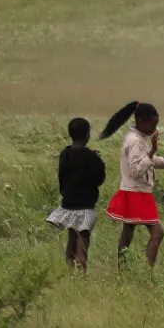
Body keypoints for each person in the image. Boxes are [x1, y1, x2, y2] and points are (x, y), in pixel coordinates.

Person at [101, 101, 164, 267]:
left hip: (131, 191)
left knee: (128, 232)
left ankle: (123, 271)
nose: (155, 129)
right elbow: (137, 169)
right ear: (141, 121)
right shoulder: (136, 140)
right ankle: (147, 272)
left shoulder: (137, 137)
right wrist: (153, 150)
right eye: (153, 124)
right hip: (138, 193)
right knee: (157, 233)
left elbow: (146, 161)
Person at [47, 117, 106, 273]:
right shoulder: (91, 157)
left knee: (72, 238)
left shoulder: (64, 153)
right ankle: (82, 273)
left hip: (68, 203)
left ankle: (69, 270)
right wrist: (98, 160)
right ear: (87, 134)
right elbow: (100, 179)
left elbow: (64, 174)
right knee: (83, 238)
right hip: (85, 206)